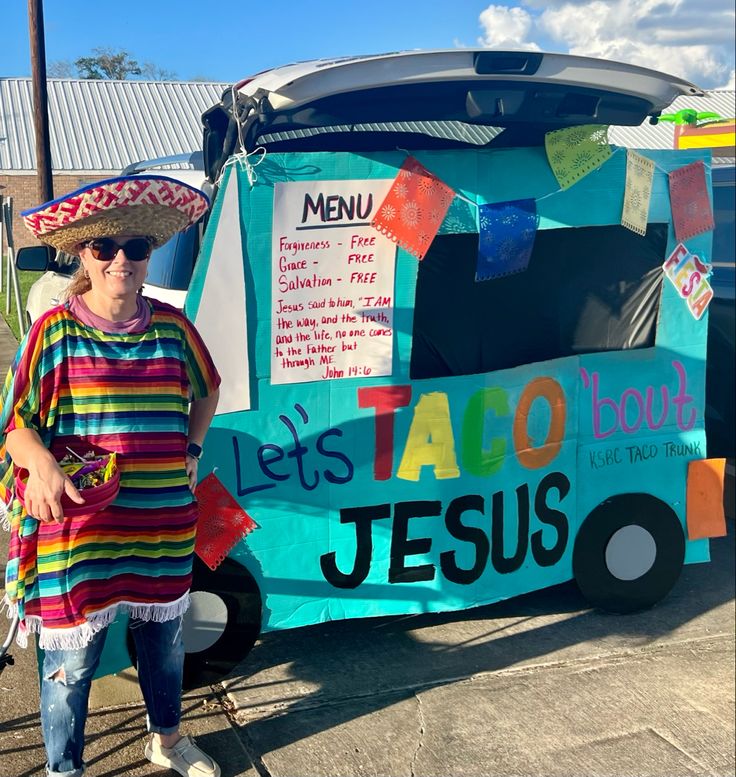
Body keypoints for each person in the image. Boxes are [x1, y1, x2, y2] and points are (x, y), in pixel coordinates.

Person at [0, 175, 221, 777]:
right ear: (84, 257)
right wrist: (41, 462)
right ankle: (63, 768)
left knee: (165, 646)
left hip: (161, 520)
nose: (122, 259)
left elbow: (210, 387)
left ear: (149, 255)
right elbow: (14, 423)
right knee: (70, 665)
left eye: (136, 248)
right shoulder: (54, 332)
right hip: (79, 530)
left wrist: (193, 448)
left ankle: (168, 740)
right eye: (105, 249)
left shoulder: (174, 329)